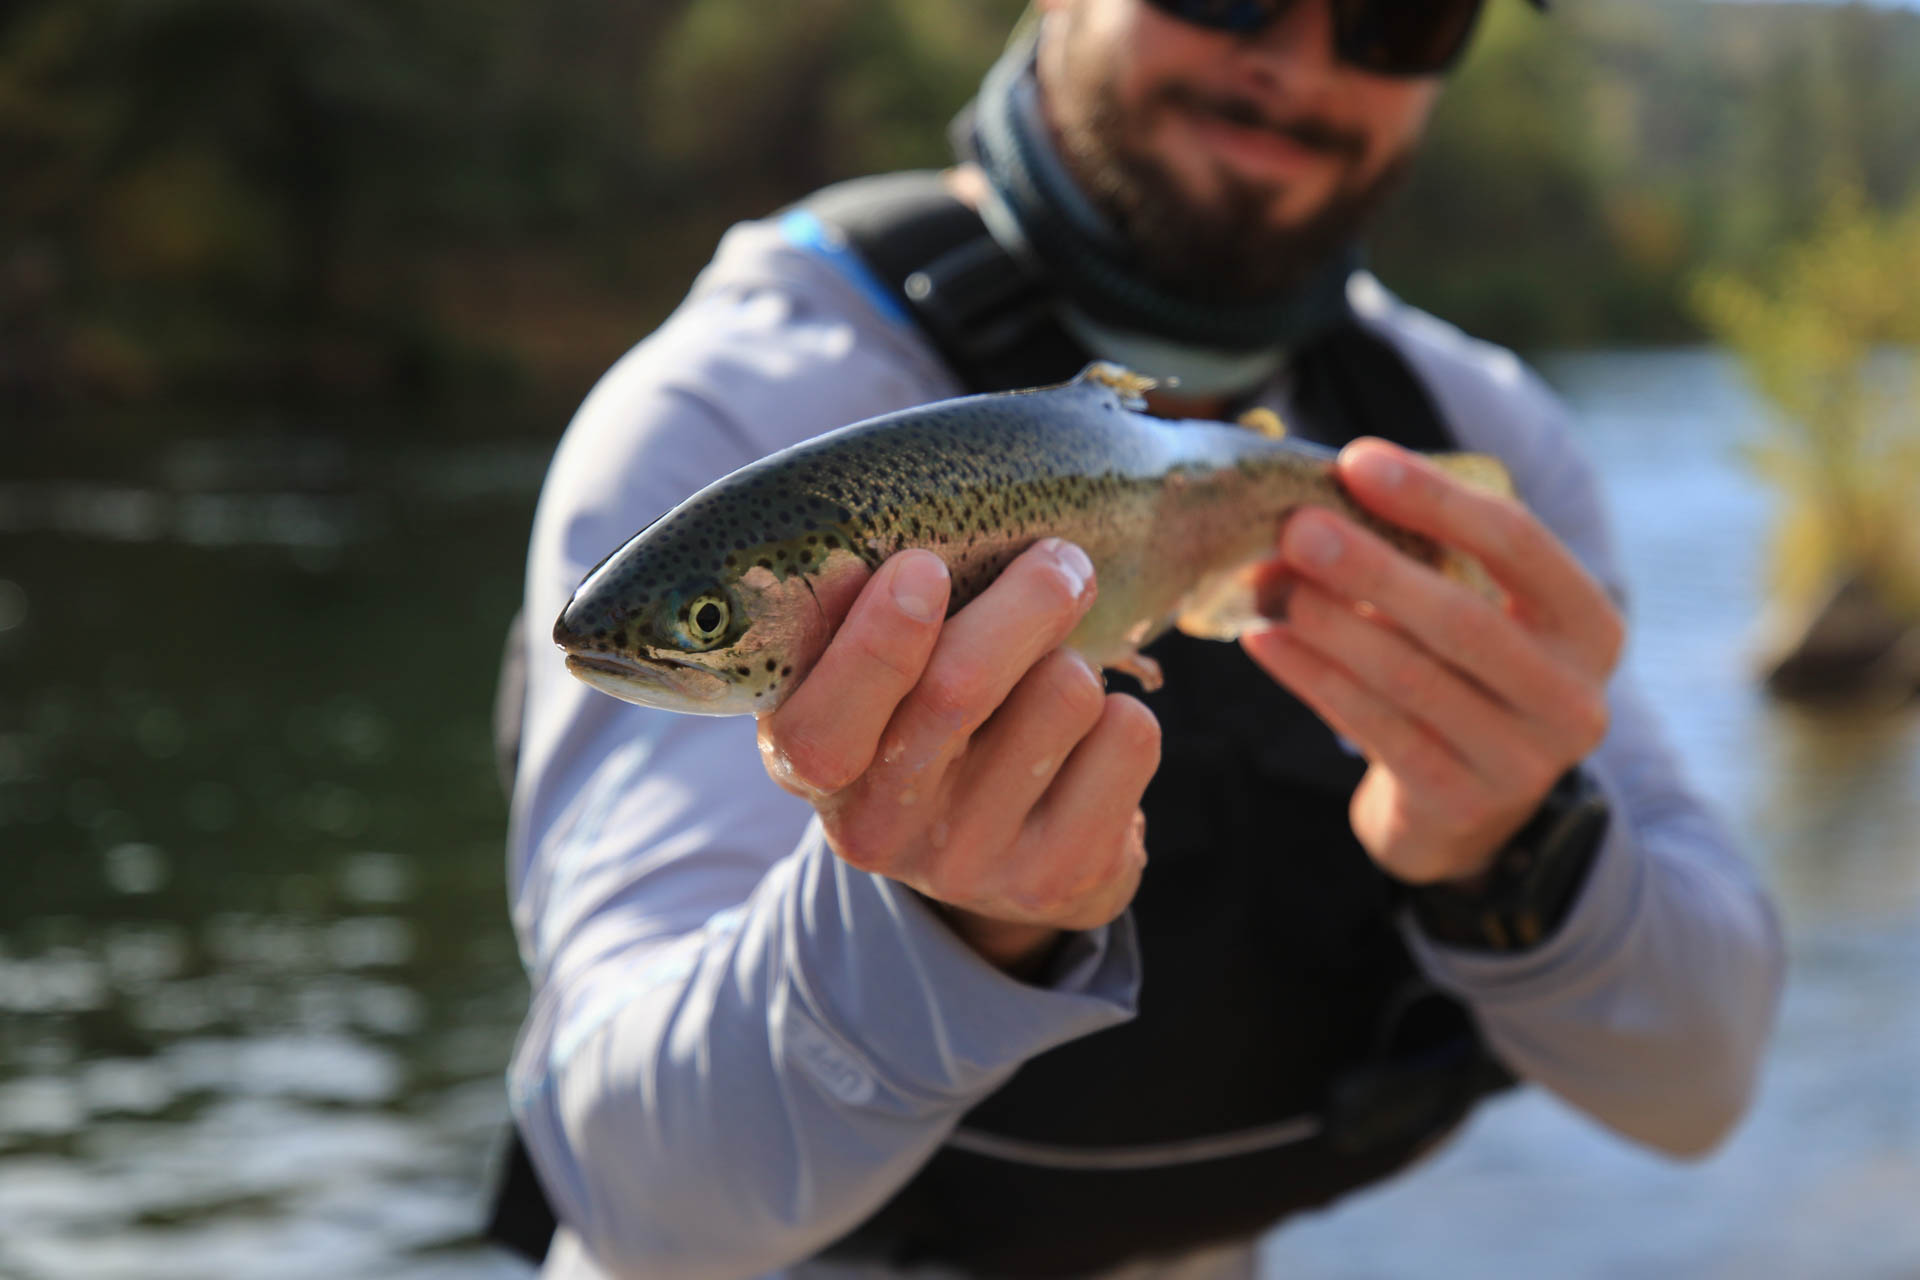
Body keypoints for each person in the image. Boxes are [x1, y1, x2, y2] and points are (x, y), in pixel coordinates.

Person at [496, 1, 1785, 1276]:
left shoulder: (1458, 446)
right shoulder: (731, 411)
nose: (1294, 61)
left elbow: (1701, 1091)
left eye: (1398, 18)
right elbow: (632, 1199)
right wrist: (944, 931)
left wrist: (1518, 847)